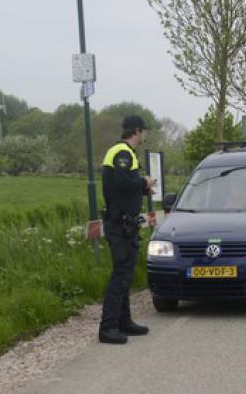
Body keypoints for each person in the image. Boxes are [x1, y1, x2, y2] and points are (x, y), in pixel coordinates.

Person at [99, 115, 156, 344]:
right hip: (119, 224)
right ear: (137, 131)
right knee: (120, 275)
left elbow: (122, 187)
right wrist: (144, 183)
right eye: (145, 131)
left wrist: (143, 189)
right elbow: (122, 183)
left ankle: (124, 322)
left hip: (126, 224)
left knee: (126, 275)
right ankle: (108, 327)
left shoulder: (125, 153)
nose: (145, 135)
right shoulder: (122, 153)